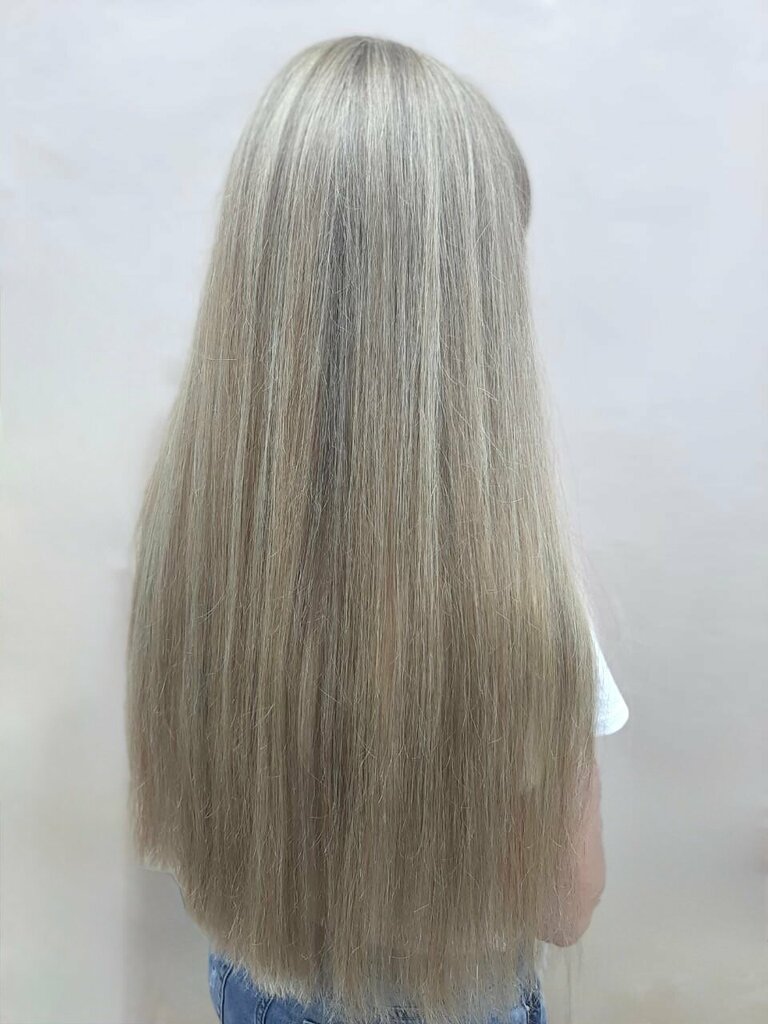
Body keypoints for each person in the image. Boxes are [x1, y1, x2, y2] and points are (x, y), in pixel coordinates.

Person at [125, 35, 629, 1024]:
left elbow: (189, 838)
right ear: (466, 320)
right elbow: (565, 904)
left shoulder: (190, 542)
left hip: (256, 985)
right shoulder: (523, 605)